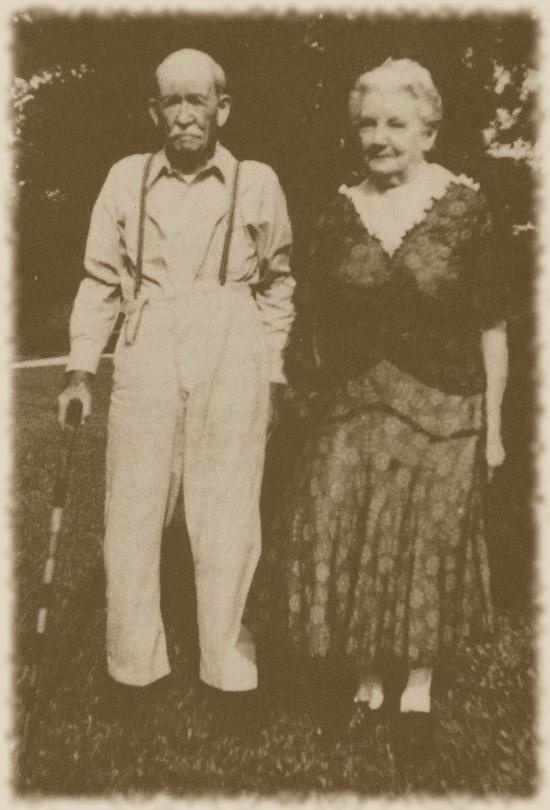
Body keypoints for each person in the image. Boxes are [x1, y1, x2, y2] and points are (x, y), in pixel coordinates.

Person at [252, 58, 508, 758]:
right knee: (354, 535)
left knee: (425, 546)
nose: (379, 136)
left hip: (446, 407)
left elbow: (490, 323)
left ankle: (417, 688)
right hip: (354, 403)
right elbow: (313, 319)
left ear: (429, 128)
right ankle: (367, 682)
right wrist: (300, 397)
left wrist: (494, 428)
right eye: (367, 122)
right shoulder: (338, 212)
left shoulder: (467, 206)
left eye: (396, 122)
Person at [57, 49, 295, 726]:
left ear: (223, 109)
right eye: (173, 102)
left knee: (226, 510)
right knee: (133, 507)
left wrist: (273, 370)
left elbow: (278, 284)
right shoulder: (126, 179)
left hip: (232, 332)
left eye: (199, 101)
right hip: (149, 334)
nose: (185, 115)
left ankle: (230, 670)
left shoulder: (256, 181)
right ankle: (133, 669)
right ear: (154, 111)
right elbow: (101, 280)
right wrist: (79, 369)